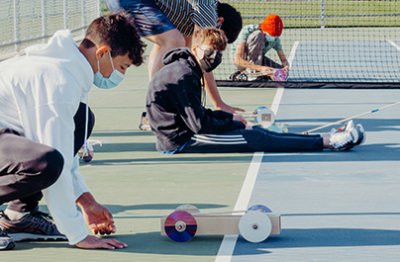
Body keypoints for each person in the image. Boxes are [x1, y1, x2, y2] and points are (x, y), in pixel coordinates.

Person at [0, 12, 145, 250]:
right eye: (122, 66)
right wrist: (78, 234)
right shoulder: (58, 80)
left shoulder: (66, 67)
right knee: (46, 164)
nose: (120, 75)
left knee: (82, 118)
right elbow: (56, 163)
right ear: (102, 53)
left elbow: (65, 154)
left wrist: (86, 201)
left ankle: (20, 216)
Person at [146, 27, 365, 155]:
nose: (215, 57)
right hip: (181, 142)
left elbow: (197, 113)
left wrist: (229, 117)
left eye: (218, 53)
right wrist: (231, 122)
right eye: (210, 51)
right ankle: (331, 142)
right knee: (259, 138)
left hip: (186, 132)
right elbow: (198, 124)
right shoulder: (183, 75)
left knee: (260, 132)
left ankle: (327, 138)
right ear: (195, 49)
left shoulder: (187, 69)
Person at [106, 0, 244, 113]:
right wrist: (218, 103)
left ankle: (156, 106)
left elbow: (193, 57)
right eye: (220, 39)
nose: (216, 46)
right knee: (172, 40)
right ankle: (157, 107)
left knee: (169, 42)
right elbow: (203, 59)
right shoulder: (208, 10)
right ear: (219, 21)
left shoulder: (189, 20)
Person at [230, 14, 290, 81]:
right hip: (242, 62)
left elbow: (284, 60)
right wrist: (261, 68)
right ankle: (249, 74)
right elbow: (237, 60)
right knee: (258, 35)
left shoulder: (275, 39)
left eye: (276, 36)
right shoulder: (247, 31)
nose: (274, 37)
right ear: (264, 30)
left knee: (280, 73)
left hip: (258, 60)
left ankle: (256, 74)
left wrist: (286, 67)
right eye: (271, 35)